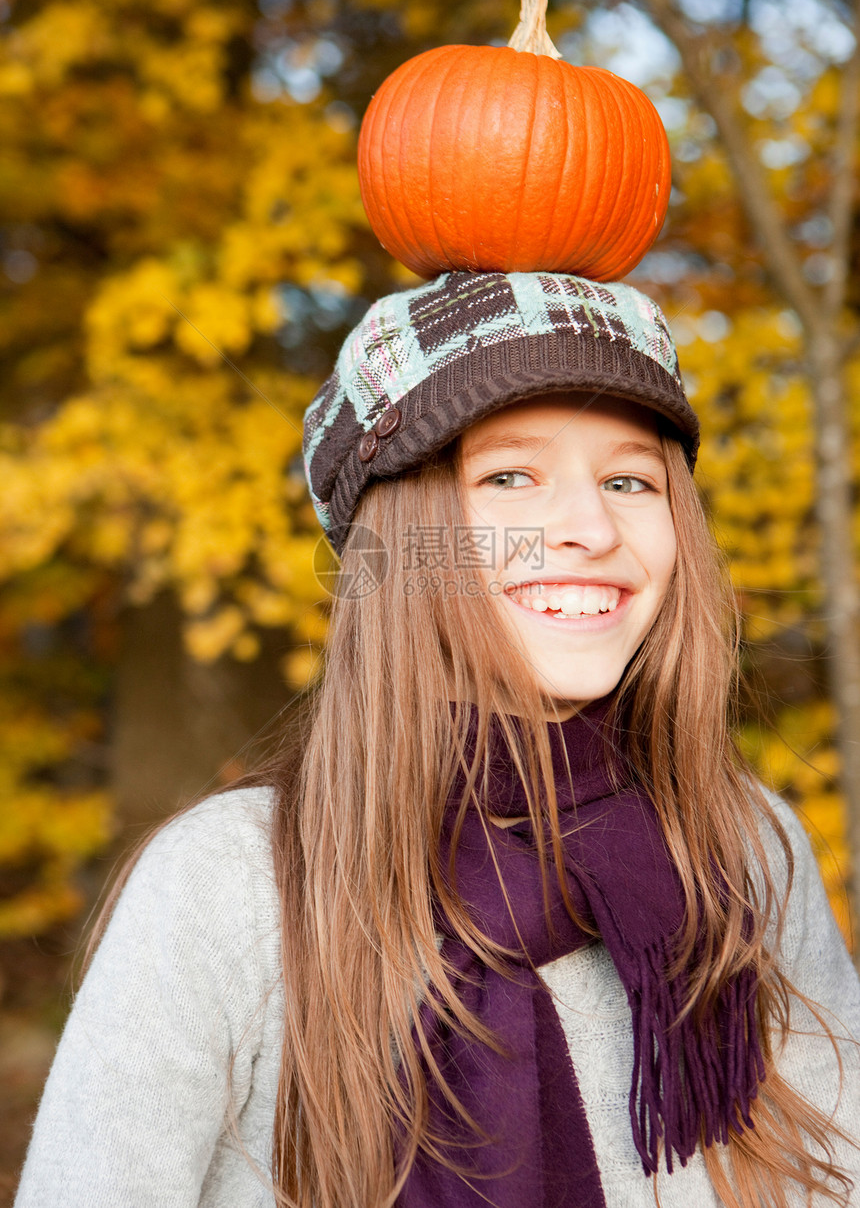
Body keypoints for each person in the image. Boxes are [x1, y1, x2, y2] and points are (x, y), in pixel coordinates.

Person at [15, 270, 860, 1208]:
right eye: (509, 477)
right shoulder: (231, 885)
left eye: (630, 480)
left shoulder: (746, 849)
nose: (587, 527)